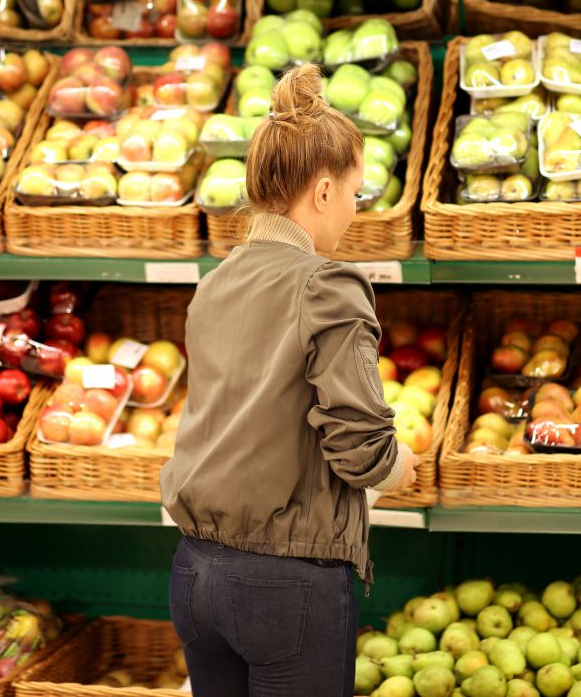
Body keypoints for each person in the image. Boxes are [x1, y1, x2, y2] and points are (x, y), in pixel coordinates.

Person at [160, 62, 417, 696]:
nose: (355, 212)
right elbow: (357, 442)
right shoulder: (327, 283)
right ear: (323, 191)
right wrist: (398, 467)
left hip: (195, 574)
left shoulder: (215, 283)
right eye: (356, 193)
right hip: (286, 587)